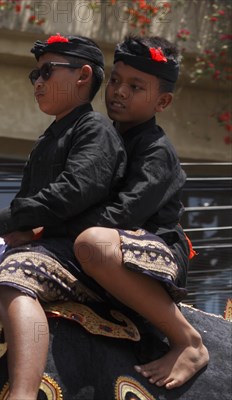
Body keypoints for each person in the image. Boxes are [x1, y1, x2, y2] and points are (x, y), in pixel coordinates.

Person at [0, 34, 127, 400]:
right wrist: (19, 228)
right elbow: (32, 201)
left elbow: (73, 192)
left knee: (13, 280)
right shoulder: (49, 138)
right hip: (50, 248)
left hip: (78, 253)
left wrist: (0, 221)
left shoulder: (94, 129)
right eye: (34, 75)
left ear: (83, 76)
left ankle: (22, 393)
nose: (38, 82)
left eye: (47, 72)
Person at [68, 35, 209, 389]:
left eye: (135, 86)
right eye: (115, 80)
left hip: (152, 248)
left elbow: (123, 215)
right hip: (105, 246)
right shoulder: (96, 136)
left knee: (92, 244)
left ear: (163, 101)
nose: (119, 92)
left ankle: (189, 342)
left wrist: (59, 229)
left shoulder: (157, 151)